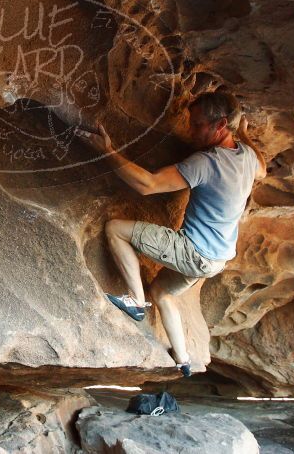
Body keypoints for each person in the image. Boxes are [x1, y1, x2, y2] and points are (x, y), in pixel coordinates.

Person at [74, 91, 266, 376]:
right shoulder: (247, 157)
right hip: (217, 259)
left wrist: (107, 151)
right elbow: (263, 170)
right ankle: (183, 359)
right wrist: (245, 136)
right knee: (162, 292)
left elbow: (148, 185)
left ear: (221, 124)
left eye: (198, 124)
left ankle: (136, 303)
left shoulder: (206, 163)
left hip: (194, 253)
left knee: (115, 229)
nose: (191, 129)